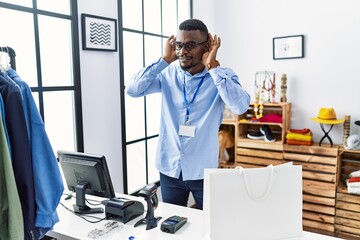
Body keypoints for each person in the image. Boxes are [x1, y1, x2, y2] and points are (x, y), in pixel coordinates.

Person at [126, 19, 250, 210]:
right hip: (169, 169)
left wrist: (213, 67)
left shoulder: (221, 75)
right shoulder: (167, 73)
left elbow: (240, 106)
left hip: (203, 171)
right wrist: (164, 60)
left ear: (207, 46)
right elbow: (132, 90)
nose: (183, 51)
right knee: (172, 226)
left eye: (191, 45)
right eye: (179, 45)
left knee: (208, 225)